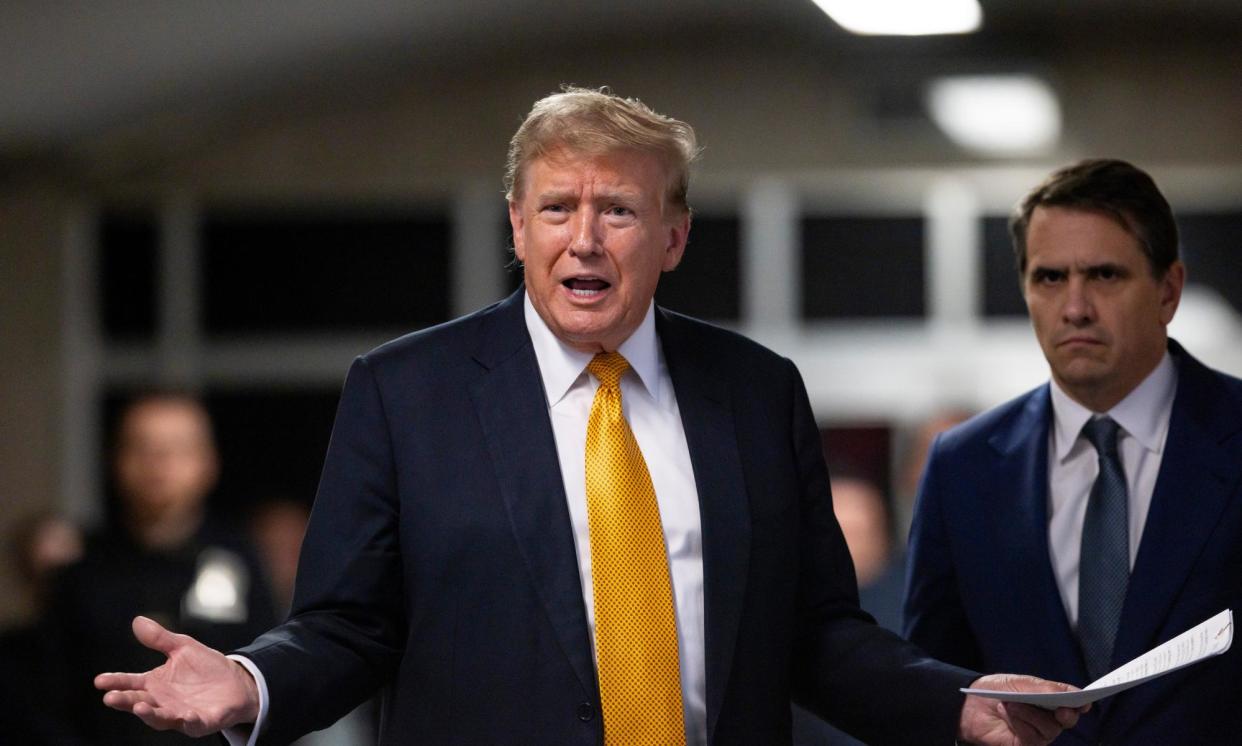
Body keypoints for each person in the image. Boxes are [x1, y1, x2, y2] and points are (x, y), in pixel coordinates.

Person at [97, 87, 1083, 746]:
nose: (586, 237)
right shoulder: (406, 391)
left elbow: (817, 632)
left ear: (674, 234)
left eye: (618, 209)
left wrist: (958, 701)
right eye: (558, 207)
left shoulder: (755, 391)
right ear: (518, 226)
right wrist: (251, 680)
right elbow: (347, 623)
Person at [903, 159, 1242, 744]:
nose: (1075, 307)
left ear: (1168, 290)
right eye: (1050, 278)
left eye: (1105, 276)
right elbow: (932, 690)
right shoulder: (964, 466)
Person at [54, 393, 276, 744]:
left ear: (208, 463)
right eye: (141, 447)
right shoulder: (82, 572)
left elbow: (270, 687)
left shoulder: (241, 563)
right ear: (115, 460)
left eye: (178, 448)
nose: (158, 462)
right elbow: (52, 696)